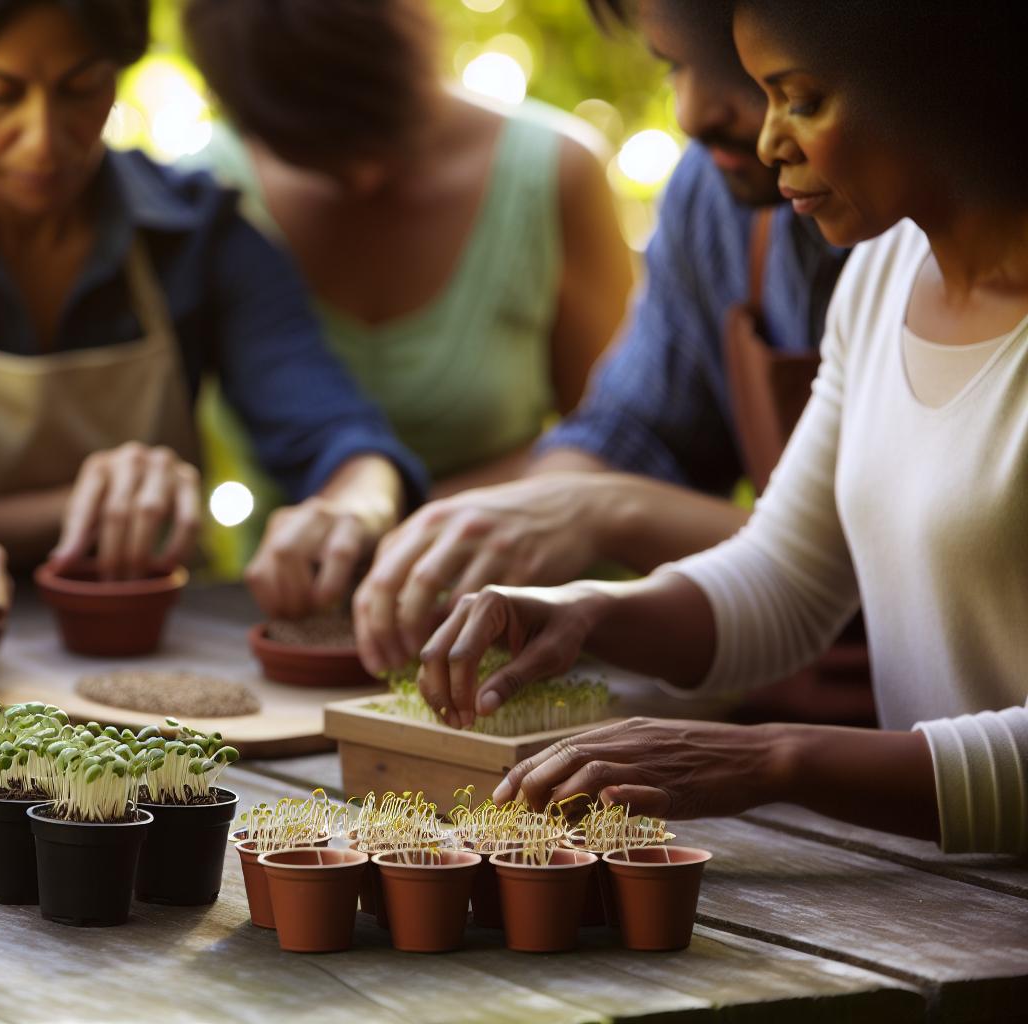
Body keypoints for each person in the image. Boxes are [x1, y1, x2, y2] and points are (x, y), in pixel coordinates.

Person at [419, 0, 1028, 855]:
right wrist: (586, 612)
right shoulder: (883, 275)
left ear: (936, 79)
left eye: (802, 98)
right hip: (954, 895)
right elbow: (788, 576)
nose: (773, 140)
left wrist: (775, 759)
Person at [0, 0, 426, 679]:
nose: (43, 141)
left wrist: (355, 506)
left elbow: (339, 438)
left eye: (81, 89)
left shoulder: (203, 233)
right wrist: (66, 506)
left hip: (159, 656)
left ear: (120, 71)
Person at [351, 0, 850, 682]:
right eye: (673, 66)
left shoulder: (936, 241)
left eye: (747, 70)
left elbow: (886, 567)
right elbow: (634, 431)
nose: (692, 113)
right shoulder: (713, 197)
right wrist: (502, 525)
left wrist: (603, 510)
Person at [182, 0, 631, 508]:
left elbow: (620, 441)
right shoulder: (212, 199)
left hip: (529, 577)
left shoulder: (553, 174)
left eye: (366, 125)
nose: (361, 177)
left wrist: (395, 517)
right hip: (287, 585)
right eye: (311, 147)